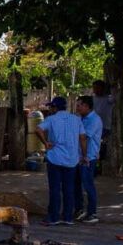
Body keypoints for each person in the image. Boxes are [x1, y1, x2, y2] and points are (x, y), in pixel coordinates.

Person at [36, 96, 86, 226]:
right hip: (71, 159)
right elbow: (82, 138)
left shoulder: (51, 119)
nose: (50, 109)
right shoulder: (76, 119)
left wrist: (45, 143)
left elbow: (38, 129)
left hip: (55, 158)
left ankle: (54, 217)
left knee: (55, 188)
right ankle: (68, 217)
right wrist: (84, 155)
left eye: (51, 107)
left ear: (55, 108)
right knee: (69, 188)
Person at [73, 95, 102, 223]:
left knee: (88, 185)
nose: (77, 108)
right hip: (79, 157)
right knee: (76, 184)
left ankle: (92, 213)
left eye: (79, 105)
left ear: (86, 106)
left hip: (88, 158)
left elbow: (84, 137)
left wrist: (84, 156)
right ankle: (79, 210)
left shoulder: (94, 120)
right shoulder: (82, 119)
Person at [92, 81, 114, 170]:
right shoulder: (92, 99)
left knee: (102, 146)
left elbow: (115, 96)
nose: (95, 90)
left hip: (105, 127)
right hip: (93, 127)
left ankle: (99, 165)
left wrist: (113, 87)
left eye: (98, 87)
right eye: (94, 88)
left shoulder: (108, 99)